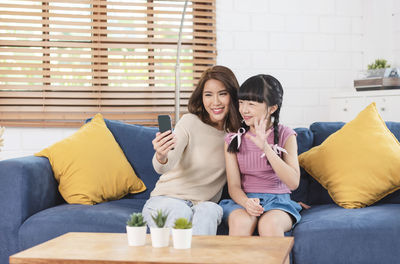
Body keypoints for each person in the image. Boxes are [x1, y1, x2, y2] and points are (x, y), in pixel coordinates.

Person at [142, 65, 241, 235]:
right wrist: (161, 154)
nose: (215, 102)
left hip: (203, 204)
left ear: (232, 96)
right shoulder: (189, 122)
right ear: (201, 98)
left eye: (222, 94)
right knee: (182, 213)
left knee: (210, 210)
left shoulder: (236, 135)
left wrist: (280, 200)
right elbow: (163, 166)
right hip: (166, 200)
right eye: (208, 95)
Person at [220, 74, 303, 244]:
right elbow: (234, 186)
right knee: (241, 221)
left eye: (251, 104)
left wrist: (265, 147)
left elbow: (293, 182)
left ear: (272, 108)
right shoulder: (232, 140)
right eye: (241, 102)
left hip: (279, 202)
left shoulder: (287, 135)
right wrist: (246, 202)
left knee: (269, 224)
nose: (244, 109)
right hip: (245, 200)